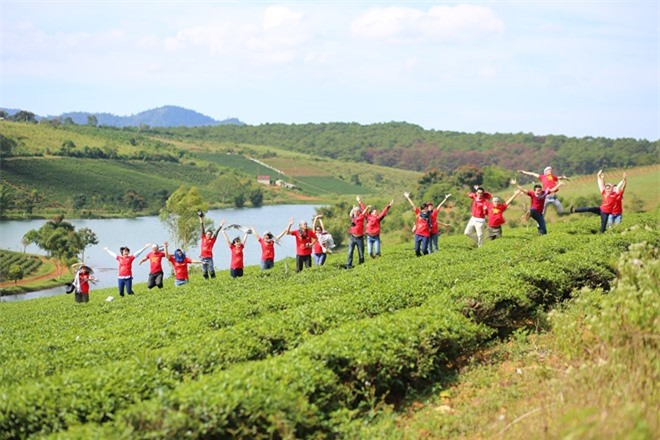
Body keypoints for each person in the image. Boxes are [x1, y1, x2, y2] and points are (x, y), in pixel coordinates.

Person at [404, 192, 432, 256]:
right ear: (421, 209)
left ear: (427, 209)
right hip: (418, 233)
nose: (425, 210)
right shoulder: (418, 213)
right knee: (417, 250)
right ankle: (419, 259)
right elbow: (413, 205)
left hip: (426, 235)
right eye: (423, 209)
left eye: (426, 209)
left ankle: (427, 258)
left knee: (424, 250)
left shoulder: (430, 215)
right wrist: (408, 197)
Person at [199, 214, 225, 280]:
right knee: (204, 271)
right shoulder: (203, 237)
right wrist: (201, 220)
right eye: (208, 234)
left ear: (211, 235)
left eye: (210, 234)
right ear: (206, 234)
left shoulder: (212, 240)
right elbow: (202, 228)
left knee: (211, 270)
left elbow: (216, 232)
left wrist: (220, 225)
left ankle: (214, 280)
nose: (209, 235)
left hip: (209, 257)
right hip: (202, 257)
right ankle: (206, 281)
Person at [346, 198, 369, 269]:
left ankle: (361, 265)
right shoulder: (353, 217)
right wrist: (352, 209)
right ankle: (348, 266)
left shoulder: (361, 216)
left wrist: (367, 207)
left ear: (359, 211)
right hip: (352, 238)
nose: (355, 212)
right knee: (350, 253)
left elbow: (364, 212)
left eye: (356, 211)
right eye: (354, 211)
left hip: (359, 238)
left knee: (361, 254)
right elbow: (350, 214)